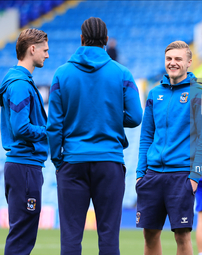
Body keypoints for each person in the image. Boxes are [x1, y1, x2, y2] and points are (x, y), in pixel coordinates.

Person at [47, 17, 142, 255]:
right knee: (109, 238)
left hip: (72, 162)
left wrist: (59, 161)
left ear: (81, 39)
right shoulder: (122, 73)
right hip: (109, 162)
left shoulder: (62, 73)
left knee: (70, 239)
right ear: (106, 41)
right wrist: (108, 115)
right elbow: (135, 117)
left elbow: (54, 125)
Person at [136, 41, 202, 255]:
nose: (173, 63)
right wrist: (140, 173)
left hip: (181, 175)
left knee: (182, 235)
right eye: (169, 59)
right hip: (152, 175)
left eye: (178, 59)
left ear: (189, 62)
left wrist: (195, 176)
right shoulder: (153, 94)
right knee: (150, 234)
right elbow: (146, 136)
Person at [0, 28, 49, 254]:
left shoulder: (20, 81)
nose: (47, 55)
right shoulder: (20, 84)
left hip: (23, 166)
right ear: (32, 49)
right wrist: (50, 132)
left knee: (22, 233)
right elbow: (21, 128)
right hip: (24, 166)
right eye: (44, 50)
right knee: (22, 237)